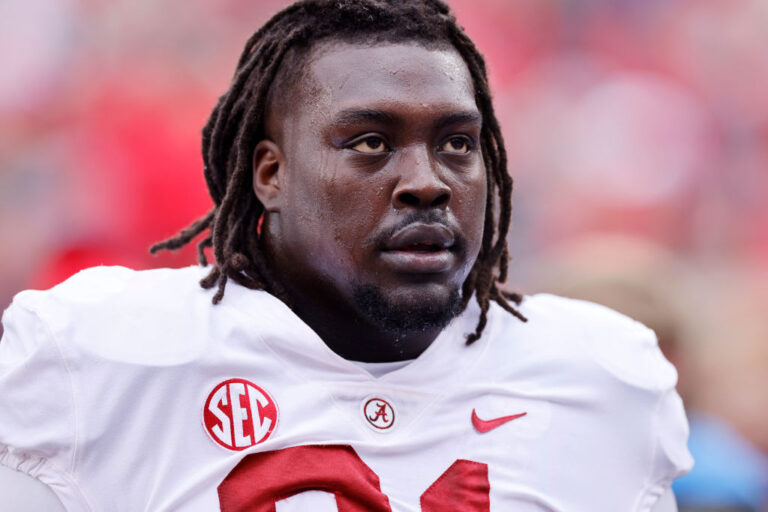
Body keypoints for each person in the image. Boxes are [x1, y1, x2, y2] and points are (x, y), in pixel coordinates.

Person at [0, 0, 692, 510]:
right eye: (371, 143)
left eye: (457, 144)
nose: (427, 182)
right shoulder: (98, 360)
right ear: (270, 174)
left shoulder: (601, 379)